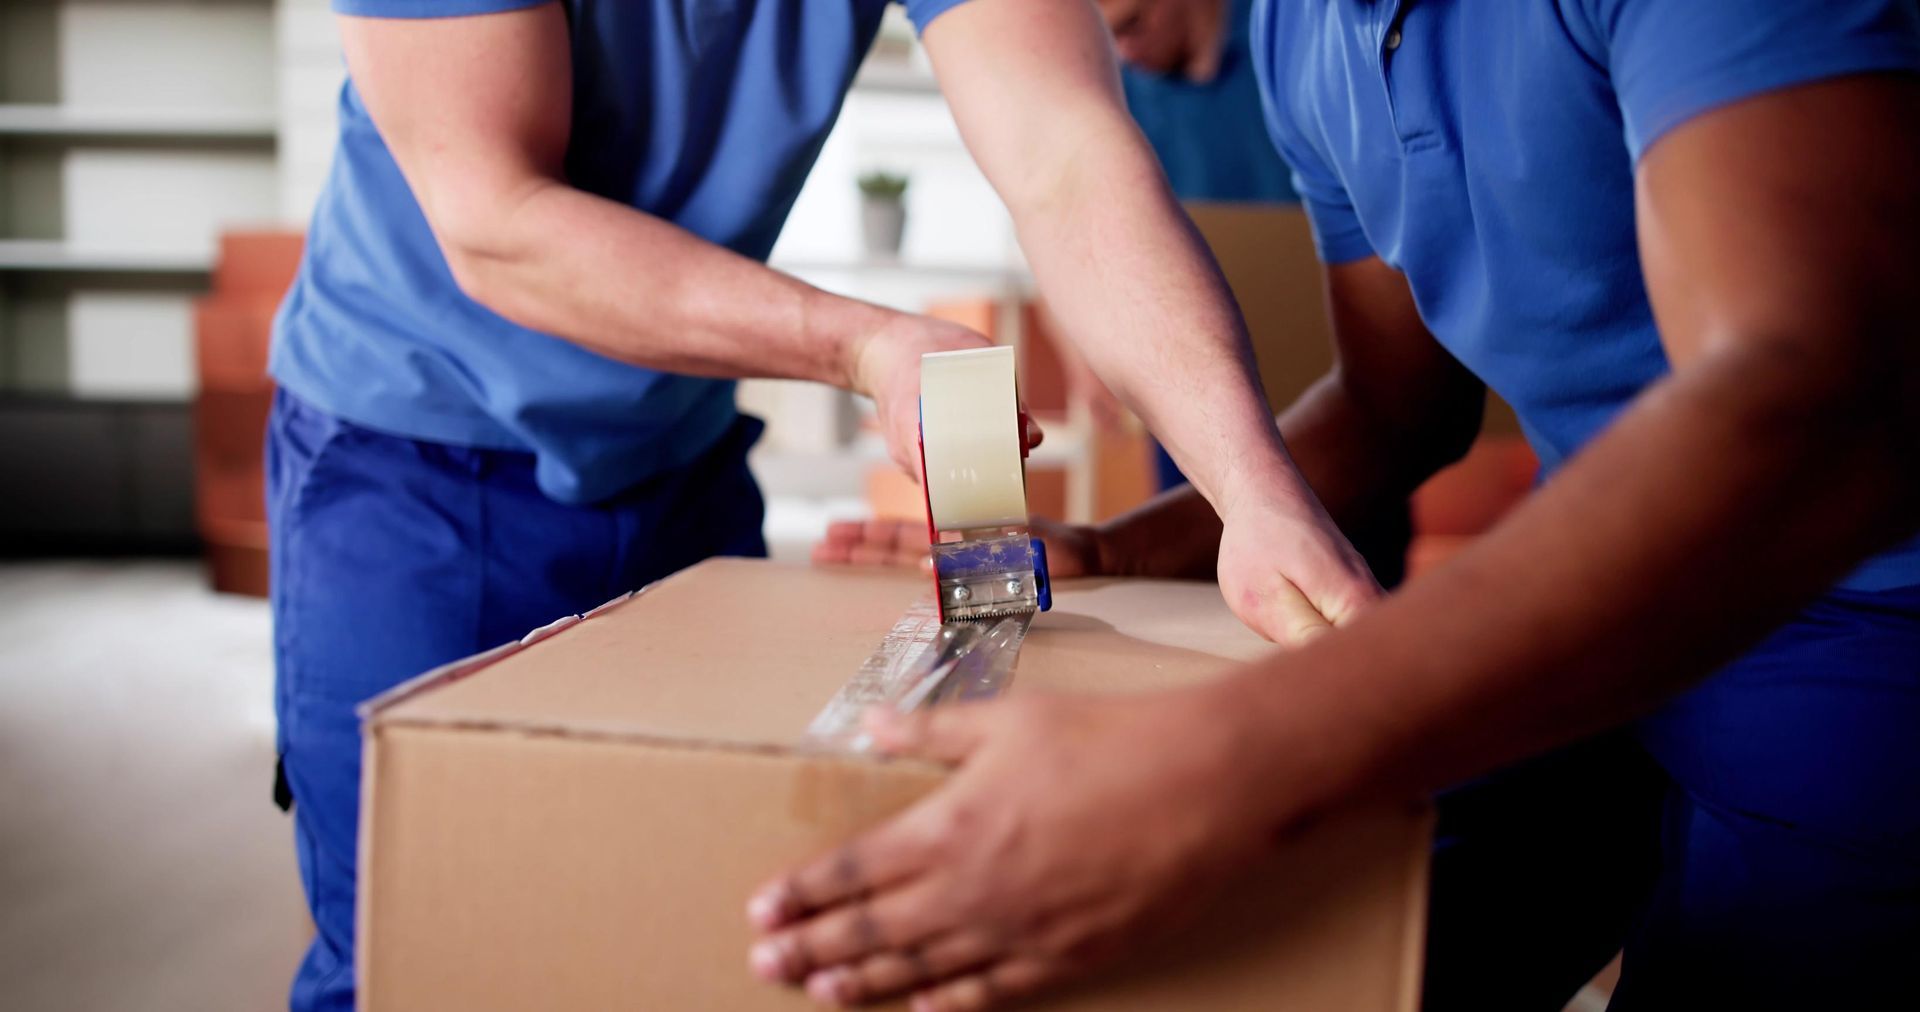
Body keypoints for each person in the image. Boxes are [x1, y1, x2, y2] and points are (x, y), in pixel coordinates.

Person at [750, 0, 1920, 1008]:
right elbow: (1395, 407)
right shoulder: (1304, 34)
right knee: (1292, 946)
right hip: (1607, 602)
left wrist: (1223, 760)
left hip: (1860, 617)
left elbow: (1810, 400)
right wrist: (1124, 544)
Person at [266, 1, 1380, 1009]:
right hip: (416, 458)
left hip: (680, 454)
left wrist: (1251, 490)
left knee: (715, 928)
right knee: (420, 950)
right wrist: (865, 344)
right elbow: (496, 217)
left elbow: (1067, 157)